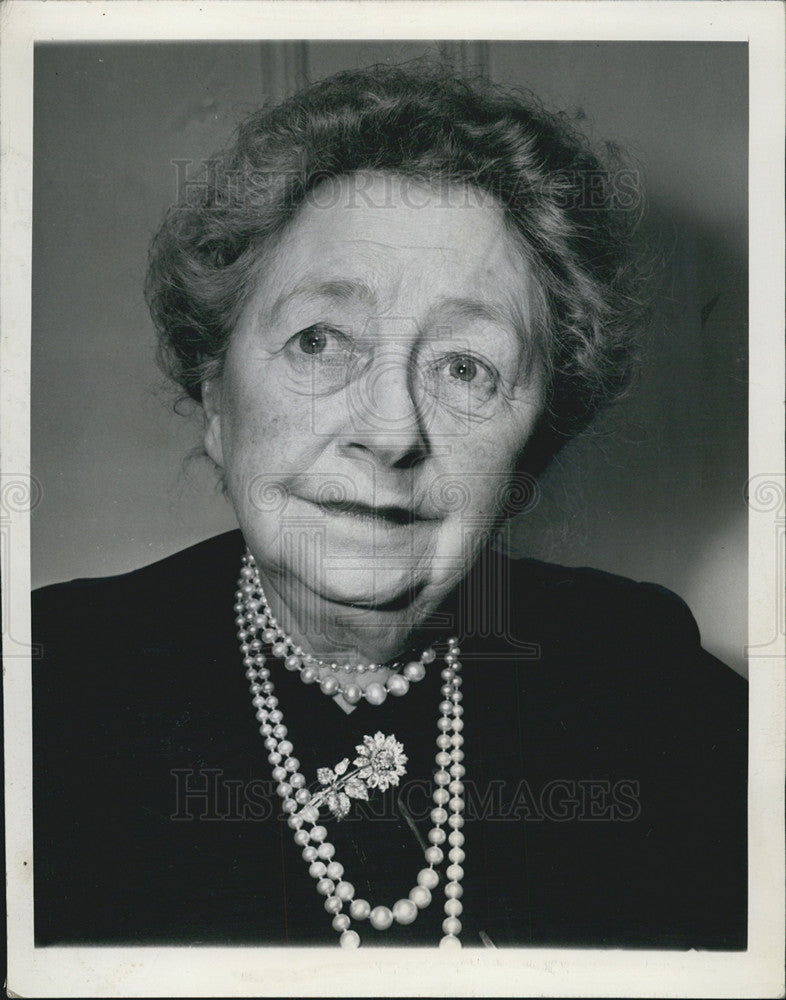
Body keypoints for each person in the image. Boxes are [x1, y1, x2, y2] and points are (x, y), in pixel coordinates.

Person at [32, 63, 747, 949]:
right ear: (217, 397)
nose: (391, 429)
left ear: (535, 439)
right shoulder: (49, 692)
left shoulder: (652, 694)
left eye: (466, 366)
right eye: (321, 340)